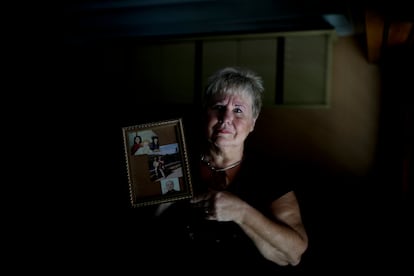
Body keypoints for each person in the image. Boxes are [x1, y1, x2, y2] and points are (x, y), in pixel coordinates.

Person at [145, 67, 309, 273]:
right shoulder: (169, 157)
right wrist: (158, 201)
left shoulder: (270, 173)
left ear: (253, 123)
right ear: (206, 114)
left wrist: (241, 212)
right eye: (218, 107)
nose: (225, 117)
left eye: (238, 110)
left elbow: (294, 252)